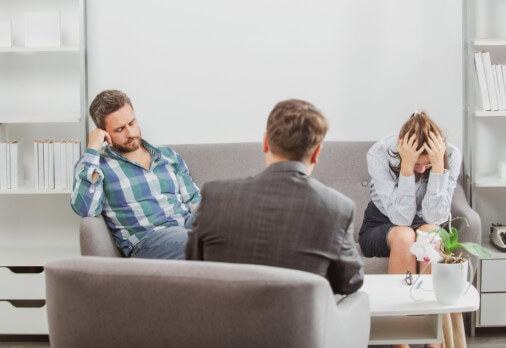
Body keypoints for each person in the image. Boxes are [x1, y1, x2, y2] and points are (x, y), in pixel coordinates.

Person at [185, 99, 364, 295]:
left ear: (265, 142)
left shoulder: (215, 196)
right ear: (316, 153)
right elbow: (350, 282)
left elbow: (192, 267)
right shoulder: (337, 207)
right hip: (297, 325)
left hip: (223, 323)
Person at [359, 110, 461, 347]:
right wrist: (406, 168)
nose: (422, 169)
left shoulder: (452, 155)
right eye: (418, 163)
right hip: (384, 224)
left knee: (429, 234)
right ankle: (400, 342)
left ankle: (434, 340)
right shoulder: (379, 153)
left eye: (427, 164)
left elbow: (436, 217)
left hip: (429, 224)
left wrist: (437, 168)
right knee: (406, 236)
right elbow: (401, 218)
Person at [71, 90, 201, 260]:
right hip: (149, 241)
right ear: (104, 133)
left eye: (132, 123)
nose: (131, 133)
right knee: (204, 242)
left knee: (231, 206)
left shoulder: (168, 156)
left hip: (188, 228)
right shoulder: (96, 165)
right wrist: (93, 148)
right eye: (120, 129)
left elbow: (194, 200)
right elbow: (84, 208)